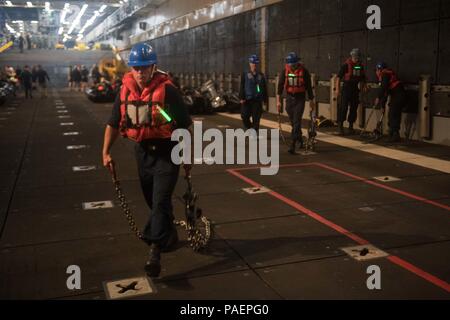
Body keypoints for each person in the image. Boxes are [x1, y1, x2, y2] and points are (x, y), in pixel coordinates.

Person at [102, 43, 193, 278]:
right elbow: (113, 123)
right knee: (153, 202)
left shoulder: (169, 91)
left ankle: (155, 252)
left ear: (154, 67)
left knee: (160, 200)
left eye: (144, 67)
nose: (140, 72)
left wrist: (188, 155)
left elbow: (185, 124)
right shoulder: (125, 91)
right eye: (136, 68)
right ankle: (169, 234)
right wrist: (105, 152)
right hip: (142, 153)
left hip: (168, 152)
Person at [277, 52, 315, 154]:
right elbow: (280, 87)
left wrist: (311, 101)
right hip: (289, 98)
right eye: (290, 64)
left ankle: (292, 144)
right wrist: (278, 101)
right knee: (293, 122)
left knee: (297, 120)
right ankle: (300, 138)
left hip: (300, 98)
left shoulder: (304, 72)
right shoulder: (285, 71)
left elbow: (309, 88)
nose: (291, 66)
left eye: (293, 64)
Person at [336, 48, 367, 135]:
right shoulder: (346, 65)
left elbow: (363, 77)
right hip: (346, 88)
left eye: (358, 57)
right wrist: (338, 89)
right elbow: (338, 77)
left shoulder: (360, 66)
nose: (357, 59)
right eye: (356, 57)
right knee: (343, 107)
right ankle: (340, 126)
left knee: (354, 107)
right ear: (353, 56)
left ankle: (350, 127)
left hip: (355, 89)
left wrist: (365, 85)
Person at [374, 62, 407, 143]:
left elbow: (383, 88)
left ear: (379, 70)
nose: (376, 72)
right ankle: (392, 133)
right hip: (397, 95)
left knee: (393, 114)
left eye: (377, 70)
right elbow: (386, 93)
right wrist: (382, 106)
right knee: (392, 113)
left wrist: (378, 97)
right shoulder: (386, 75)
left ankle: (395, 134)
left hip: (399, 95)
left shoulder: (385, 75)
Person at [239, 54, 268, 137]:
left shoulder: (261, 75)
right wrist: (241, 97)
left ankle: (254, 133)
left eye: (255, 63)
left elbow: (264, 88)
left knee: (256, 118)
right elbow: (242, 86)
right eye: (252, 63)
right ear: (250, 63)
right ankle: (250, 128)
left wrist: (265, 101)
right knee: (244, 116)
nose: (254, 65)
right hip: (247, 99)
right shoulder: (245, 74)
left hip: (257, 100)